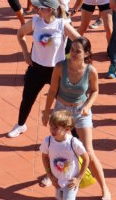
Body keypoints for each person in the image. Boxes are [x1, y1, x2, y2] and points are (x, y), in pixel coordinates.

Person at [41, 37, 111, 200]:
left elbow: (95, 91)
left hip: (80, 111)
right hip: (61, 110)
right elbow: (52, 91)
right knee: (56, 146)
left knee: (88, 152)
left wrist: (87, 106)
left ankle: (105, 189)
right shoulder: (60, 67)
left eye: (77, 51)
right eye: (71, 50)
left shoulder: (91, 71)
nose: (73, 53)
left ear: (86, 53)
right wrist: (46, 112)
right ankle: (51, 175)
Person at [11, 0, 81, 138]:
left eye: (39, 8)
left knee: (65, 105)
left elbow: (81, 43)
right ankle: (20, 125)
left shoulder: (62, 24)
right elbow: (20, 34)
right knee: (27, 99)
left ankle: (75, 136)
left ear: (49, 10)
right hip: (36, 69)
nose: (36, 9)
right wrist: (25, 53)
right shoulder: (36, 21)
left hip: (57, 71)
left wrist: (72, 61)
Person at [39, 110, 91, 200]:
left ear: (67, 129)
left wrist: (79, 178)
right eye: (51, 127)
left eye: (56, 128)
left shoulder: (73, 143)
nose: (52, 130)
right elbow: (44, 157)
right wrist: (50, 175)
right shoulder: (48, 141)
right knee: (59, 198)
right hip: (57, 180)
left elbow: (86, 159)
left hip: (70, 181)